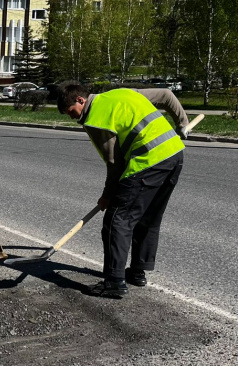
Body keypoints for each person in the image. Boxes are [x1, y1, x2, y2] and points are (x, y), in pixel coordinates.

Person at [57, 84, 190, 298]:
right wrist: (182, 123)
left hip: (148, 162)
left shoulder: (95, 120)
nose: (72, 117)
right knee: (148, 217)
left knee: (117, 221)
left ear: (81, 100)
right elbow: (166, 95)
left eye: (71, 112)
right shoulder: (122, 93)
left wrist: (107, 196)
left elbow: (114, 163)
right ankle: (137, 272)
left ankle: (114, 282)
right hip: (174, 155)